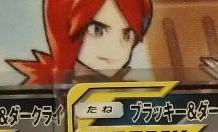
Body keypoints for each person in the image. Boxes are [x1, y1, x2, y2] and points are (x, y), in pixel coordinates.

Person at [9, 0, 153, 83]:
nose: (114, 49)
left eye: (127, 35)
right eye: (97, 30)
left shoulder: (132, 94)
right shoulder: (43, 89)